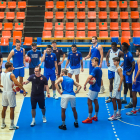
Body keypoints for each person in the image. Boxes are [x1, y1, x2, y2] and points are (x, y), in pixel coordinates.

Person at [1, 62, 26, 130]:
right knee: (12, 109)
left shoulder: (2, 73)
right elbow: (17, 83)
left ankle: (3, 124)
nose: (13, 68)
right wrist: (23, 90)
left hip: (4, 93)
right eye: (12, 67)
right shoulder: (11, 75)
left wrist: (3, 86)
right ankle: (11, 125)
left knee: (4, 108)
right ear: (9, 68)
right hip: (10, 93)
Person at [82, 57, 102, 123]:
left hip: (93, 88)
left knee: (89, 102)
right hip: (97, 87)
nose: (91, 63)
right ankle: (95, 116)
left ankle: (89, 118)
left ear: (96, 62)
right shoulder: (99, 69)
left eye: (92, 62)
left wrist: (85, 84)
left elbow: (89, 77)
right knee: (95, 101)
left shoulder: (95, 69)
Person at [126, 48, 140, 115]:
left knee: (134, 93)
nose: (135, 52)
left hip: (138, 80)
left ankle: (134, 110)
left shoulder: (139, 60)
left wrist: (135, 78)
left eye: (137, 51)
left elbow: (139, 70)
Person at [121, 42, 135, 108]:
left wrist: (130, 72)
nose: (122, 47)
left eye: (123, 46)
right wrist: (123, 64)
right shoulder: (125, 53)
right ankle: (124, 99)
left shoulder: (129, 54)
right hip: (124, 72)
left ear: (126, 47)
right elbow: (126, 61)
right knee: (125, 85)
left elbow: (133, 64)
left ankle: (131, 102)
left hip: (128, 73)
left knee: (130, 87)